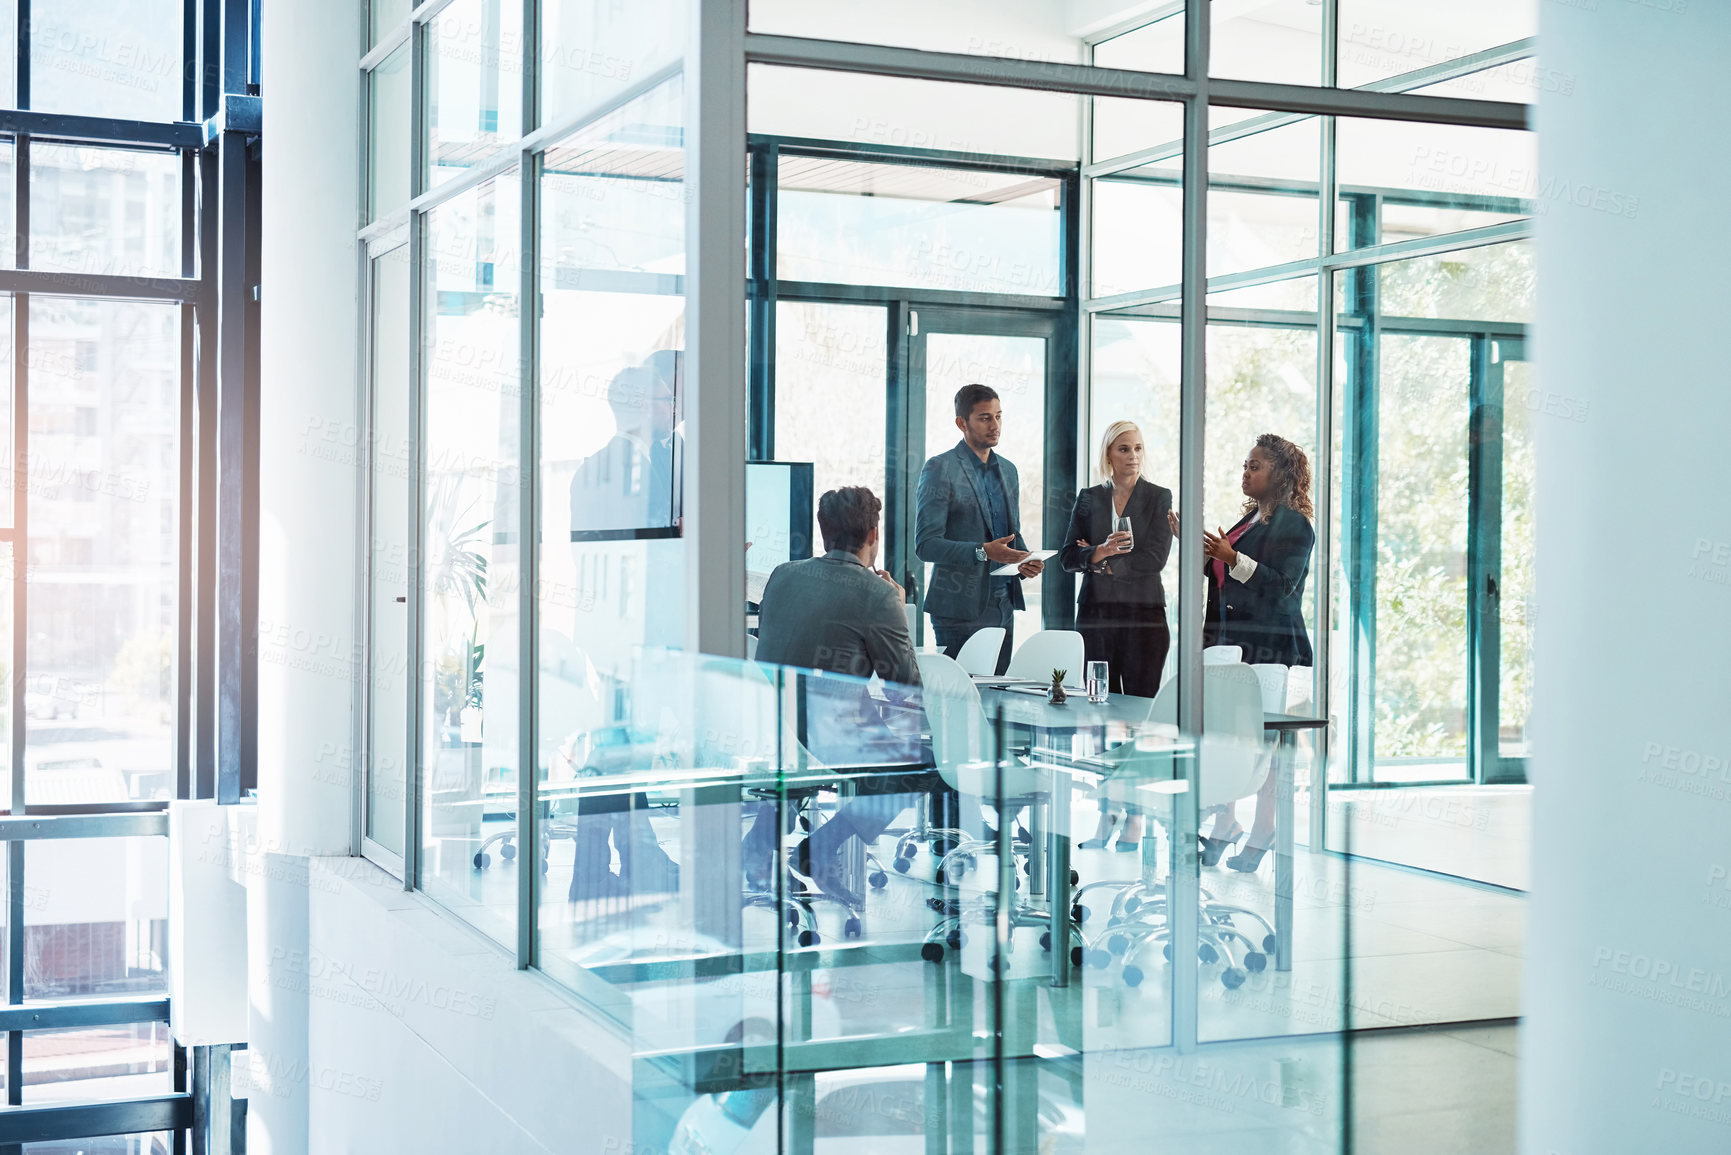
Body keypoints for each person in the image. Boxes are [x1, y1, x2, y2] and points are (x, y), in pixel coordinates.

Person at [752, 486, 935, 906]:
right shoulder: (878, 595)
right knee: (918, 767)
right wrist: (899, 608)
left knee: (799, 754)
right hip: (830, 739)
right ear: (874, 534)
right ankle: (819, 849)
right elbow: (905, 686)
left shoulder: (782, 575)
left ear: (822, 531)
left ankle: (756, 847)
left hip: (771, 731)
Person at [1171, 433, 1316, 872]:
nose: (1246, 472)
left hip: (1268, 648)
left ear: (1281, 474)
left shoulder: (1294, 524)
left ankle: (1263, 829)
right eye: (1245, 465)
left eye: (1256, 466)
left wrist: (1232, 557)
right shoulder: (1250, 521)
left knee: (1265, 744)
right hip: (1228, 644)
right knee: (1228, 738)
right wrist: (1196, 547)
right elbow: (1222, 573)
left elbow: (1282, 585)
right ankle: (1226, 824)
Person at [1060, 421, 1173, 851]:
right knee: (1100, 717)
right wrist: (1098, 553)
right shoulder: (1089, 498)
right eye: (1123, 449)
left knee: (1139, 720)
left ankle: (1136, 819)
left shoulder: (1159, 497)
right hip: (1097, 617)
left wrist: (1106, 564)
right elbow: (1069, 555)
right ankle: (1106, 810)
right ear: (1108, 454)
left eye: (1138, 448)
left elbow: (1155, 557)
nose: (1132, 456)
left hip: (1144, 620)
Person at [915, 384, 1045, 675]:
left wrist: (1024, 560)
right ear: (962, 423)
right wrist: (984, 552)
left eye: (999, 416)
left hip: (1003, 606)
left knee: (998, 699)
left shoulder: (1008, 470)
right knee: (962, 703)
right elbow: (926, 545)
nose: (995, 425)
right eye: (985, 418)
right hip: (958, 610)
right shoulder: (940, 468)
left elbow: (1012, 534)